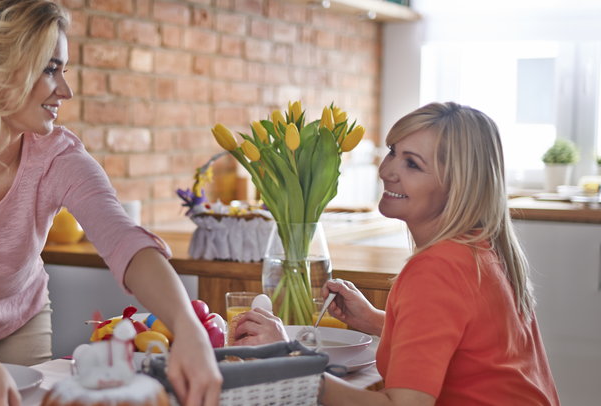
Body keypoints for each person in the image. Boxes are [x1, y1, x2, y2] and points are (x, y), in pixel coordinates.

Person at [0, 0, 221, 405]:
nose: (66, 90)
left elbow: (124, 240)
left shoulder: (58, 154)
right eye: (51, 70)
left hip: (21, 325)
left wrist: (188, 328)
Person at [233, 102, 560, 405]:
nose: (387, 171)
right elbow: (466, 349)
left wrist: (287, 362)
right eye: (393, 152)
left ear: (456, 186)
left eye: (412, 164)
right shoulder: (478, 249)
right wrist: (374, 321)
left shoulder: (437, 269)